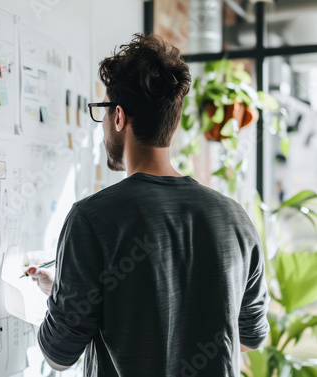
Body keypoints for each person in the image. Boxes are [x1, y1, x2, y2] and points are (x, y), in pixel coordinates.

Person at [26, 33, 269, 377]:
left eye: (104, 112)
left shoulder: (92, 218)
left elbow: (58, 356)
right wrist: (71, 291)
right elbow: (249, 336)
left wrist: (65, 303)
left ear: (119, 117)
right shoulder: (234, 218)